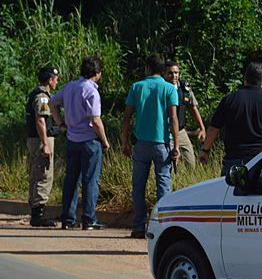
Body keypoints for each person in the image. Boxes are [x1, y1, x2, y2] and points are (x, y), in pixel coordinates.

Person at [122, 54, 179, 239]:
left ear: (147, 68)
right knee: (163, 185)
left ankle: (139, 226)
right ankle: (162, 227)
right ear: (163, 70)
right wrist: (176, 146)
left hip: (141, 144)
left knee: (138, 186)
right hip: (162, 143)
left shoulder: (136, 87)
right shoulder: (170, 88)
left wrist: (124, 141)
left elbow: (127, 117)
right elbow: (173, 119)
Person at [50, 55, 110, 230]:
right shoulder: (91, 91)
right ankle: (89, 218)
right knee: (90, 181)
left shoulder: (70, 86)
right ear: (97, 73)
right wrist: (105, 141)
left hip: (72, 138)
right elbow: (96, 120)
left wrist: (61, 124)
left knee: (71, 180)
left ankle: (68, 219)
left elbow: (53, 103)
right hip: (89, 140)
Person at [198, 62, 262, 176]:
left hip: (236, 160)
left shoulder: (230, 99)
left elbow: (214, 129)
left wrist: (205, 150)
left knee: (232, 193)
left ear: (245, 79)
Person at [24, 66, 60, 227]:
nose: (57, 81)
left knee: (36, 173)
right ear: (50, 79)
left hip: (35, 139)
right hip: (41, 140)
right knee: (43, 174)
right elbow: (40, 119)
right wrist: (45, 144)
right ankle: (38, 214)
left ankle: (35, 210)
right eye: (55, 78)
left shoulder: (36, 93)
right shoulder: (42, 97)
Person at [164, 60, 205, 168]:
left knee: (191, 163)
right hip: (165, 132)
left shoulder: (184, 89)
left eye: (176, 73)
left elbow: (193, 108)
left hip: (181, 131)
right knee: (170, 165)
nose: (174, 76)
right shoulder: (161, 89)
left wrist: (202, 128)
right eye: (170, 73)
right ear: (164, 74)